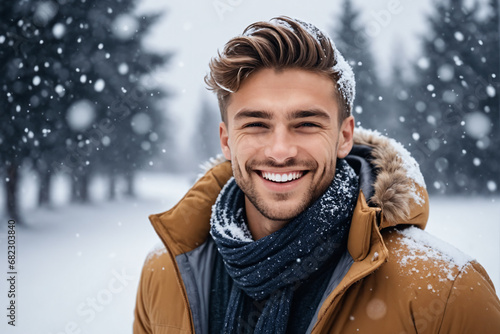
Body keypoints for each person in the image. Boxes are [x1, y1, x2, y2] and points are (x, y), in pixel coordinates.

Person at [133, 16, 500, 334]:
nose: (280, 151)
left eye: (306, 123)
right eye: (257, 124)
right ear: (227, 141)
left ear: (343, 136)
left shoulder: (446, 289)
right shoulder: (167, 273)